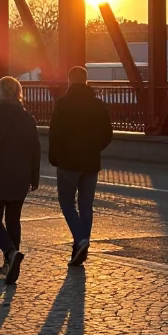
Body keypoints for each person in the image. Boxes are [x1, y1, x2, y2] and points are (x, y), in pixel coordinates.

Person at [0, 76, 41, 286]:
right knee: (13, 220)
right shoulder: (28, 118)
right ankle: (10, 265)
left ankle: (10, 253)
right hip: (20, 178)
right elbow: (35, 151)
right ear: (19, 92)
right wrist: (34, 177)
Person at [48, 66, 113, 267]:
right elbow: (107, 134)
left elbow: (55, 133)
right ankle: (80, 250)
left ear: (69, 81)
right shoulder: (98, 104)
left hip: (68, 163)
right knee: (86, 206)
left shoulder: (63, 103)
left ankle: (80, 238)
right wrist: (94, 149)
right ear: (86, 81)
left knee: (67, 203)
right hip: (91, 163)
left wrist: (55, 157)